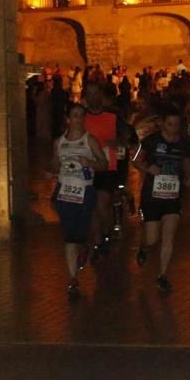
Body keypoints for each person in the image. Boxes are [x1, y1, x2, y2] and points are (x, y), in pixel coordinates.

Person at [50, 103, 109, 297]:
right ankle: (73, 278)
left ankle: (85, 247)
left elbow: (104, 164)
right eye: (74, 115)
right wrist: (52, 169)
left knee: (81, 232)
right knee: (69, 235)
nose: (78, 119)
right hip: (65, 190)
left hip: (84, 191)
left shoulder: (89, 140)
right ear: (68, 118)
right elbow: (54, 164)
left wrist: (90, 162)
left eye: (81, 116)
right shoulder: (59, 142)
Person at [133, 107, 190, 293]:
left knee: (169, 237)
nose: (173, 128)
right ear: (162, 123)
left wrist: (189, 177)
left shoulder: (184, 144)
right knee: (152, 238)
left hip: (172, 197)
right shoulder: (151, 141)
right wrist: (147, 168)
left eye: (176, 124)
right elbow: (135, 159)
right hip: (152, 196)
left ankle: (162, 276)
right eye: (169, 124)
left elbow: (188, 166)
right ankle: (144, 247)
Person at [82, 81, 133, 259]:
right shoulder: (81, 117)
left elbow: (127, 136)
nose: (92, 97)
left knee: (102, 204)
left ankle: (105, 235)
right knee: (93, 208)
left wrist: (118, 141)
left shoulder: (112, 116)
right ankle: (99, 241)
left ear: (100, 95)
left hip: (107, 168)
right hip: (87, 168)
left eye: (95, 93)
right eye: (89, 93)